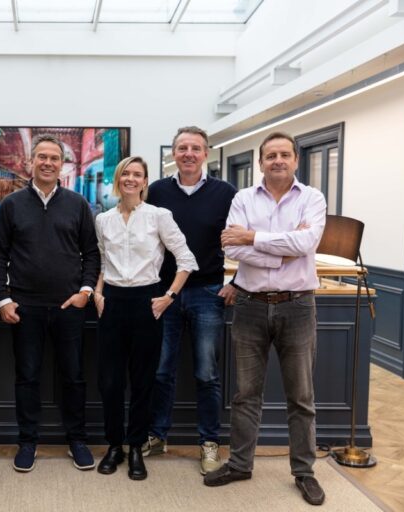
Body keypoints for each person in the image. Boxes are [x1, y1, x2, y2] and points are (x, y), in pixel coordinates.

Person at [204, 131, 327, 507]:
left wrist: (253, 237)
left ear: (296, 160)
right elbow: (233, 248)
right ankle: (240, 465)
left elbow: (306, 243)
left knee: (301, 396)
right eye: (270, 155)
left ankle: (304, 472)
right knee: (246, 394)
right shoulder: (243, 198)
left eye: (284, 154)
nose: (278, 160)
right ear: (260, 162)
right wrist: (284, 250)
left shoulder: (312, 198)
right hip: (250, 305)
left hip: (298, 305)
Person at [0, 133, 101, 473]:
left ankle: (77, 440)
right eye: (42, 157)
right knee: (27, 377)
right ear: (31, 162)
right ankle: (27, 442)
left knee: (74, 377)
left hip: (69, 306)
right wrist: (2, 298)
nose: (48, 163)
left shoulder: (78, 204)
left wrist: (85, 291)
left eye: (54, 158)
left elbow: (92, 254)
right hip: (25, 307)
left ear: (62, 164)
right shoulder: (11, 204)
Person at [94, 156, 198, 480]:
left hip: (146, 302)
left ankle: (136, 447)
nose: (130, 179)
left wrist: (169, 297)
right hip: (111, 303)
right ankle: (115, 446)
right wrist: (97, 293)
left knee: (143, 381)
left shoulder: (158, 216)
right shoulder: (103, 219)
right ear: (118, 179)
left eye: (137, 174)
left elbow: (186, 259)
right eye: (125, 173)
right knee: (110, 382)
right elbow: (102, 261)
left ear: (144, 181)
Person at [144, 126, 237, 475]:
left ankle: (209, 443)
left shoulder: (225, 193)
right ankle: (157, 436)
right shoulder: (156, 191)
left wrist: (237, 282)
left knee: (207, 373)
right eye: (182, 148)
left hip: (207, 293)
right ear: (174, 153)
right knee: (161, 370)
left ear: (206, 154)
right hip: (163, 293)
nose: (188, 154)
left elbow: (241, 241)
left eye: (195, 148)